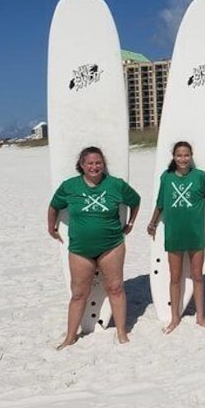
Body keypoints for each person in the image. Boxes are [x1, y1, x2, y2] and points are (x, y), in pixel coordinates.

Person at [47, 146, 140, 349]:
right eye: (89, 163)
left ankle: (122, 332)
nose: (94, 166)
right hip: (80, 249)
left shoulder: (116, 185)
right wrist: (51, 226)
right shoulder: (69, 186)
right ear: (81, 165)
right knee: (79, 293)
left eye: (98, 162)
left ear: (103, 164)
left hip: (112, 245)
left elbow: (135, 201)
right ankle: (71, 336)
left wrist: (131, 223)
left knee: (115, 288)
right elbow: (54, 205)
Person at [147, 141, 205, 334]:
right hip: (174, 233)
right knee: (175, 277)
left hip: (195, 233)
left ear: (191, 155)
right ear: (174, 156)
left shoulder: (200, 176)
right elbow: (160, 203)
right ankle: (174, 318)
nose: (183, 159)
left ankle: (200, 317)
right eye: (179, 155)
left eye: (186, 155)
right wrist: (153, 222)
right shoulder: (166, 177)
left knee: (197, 276)